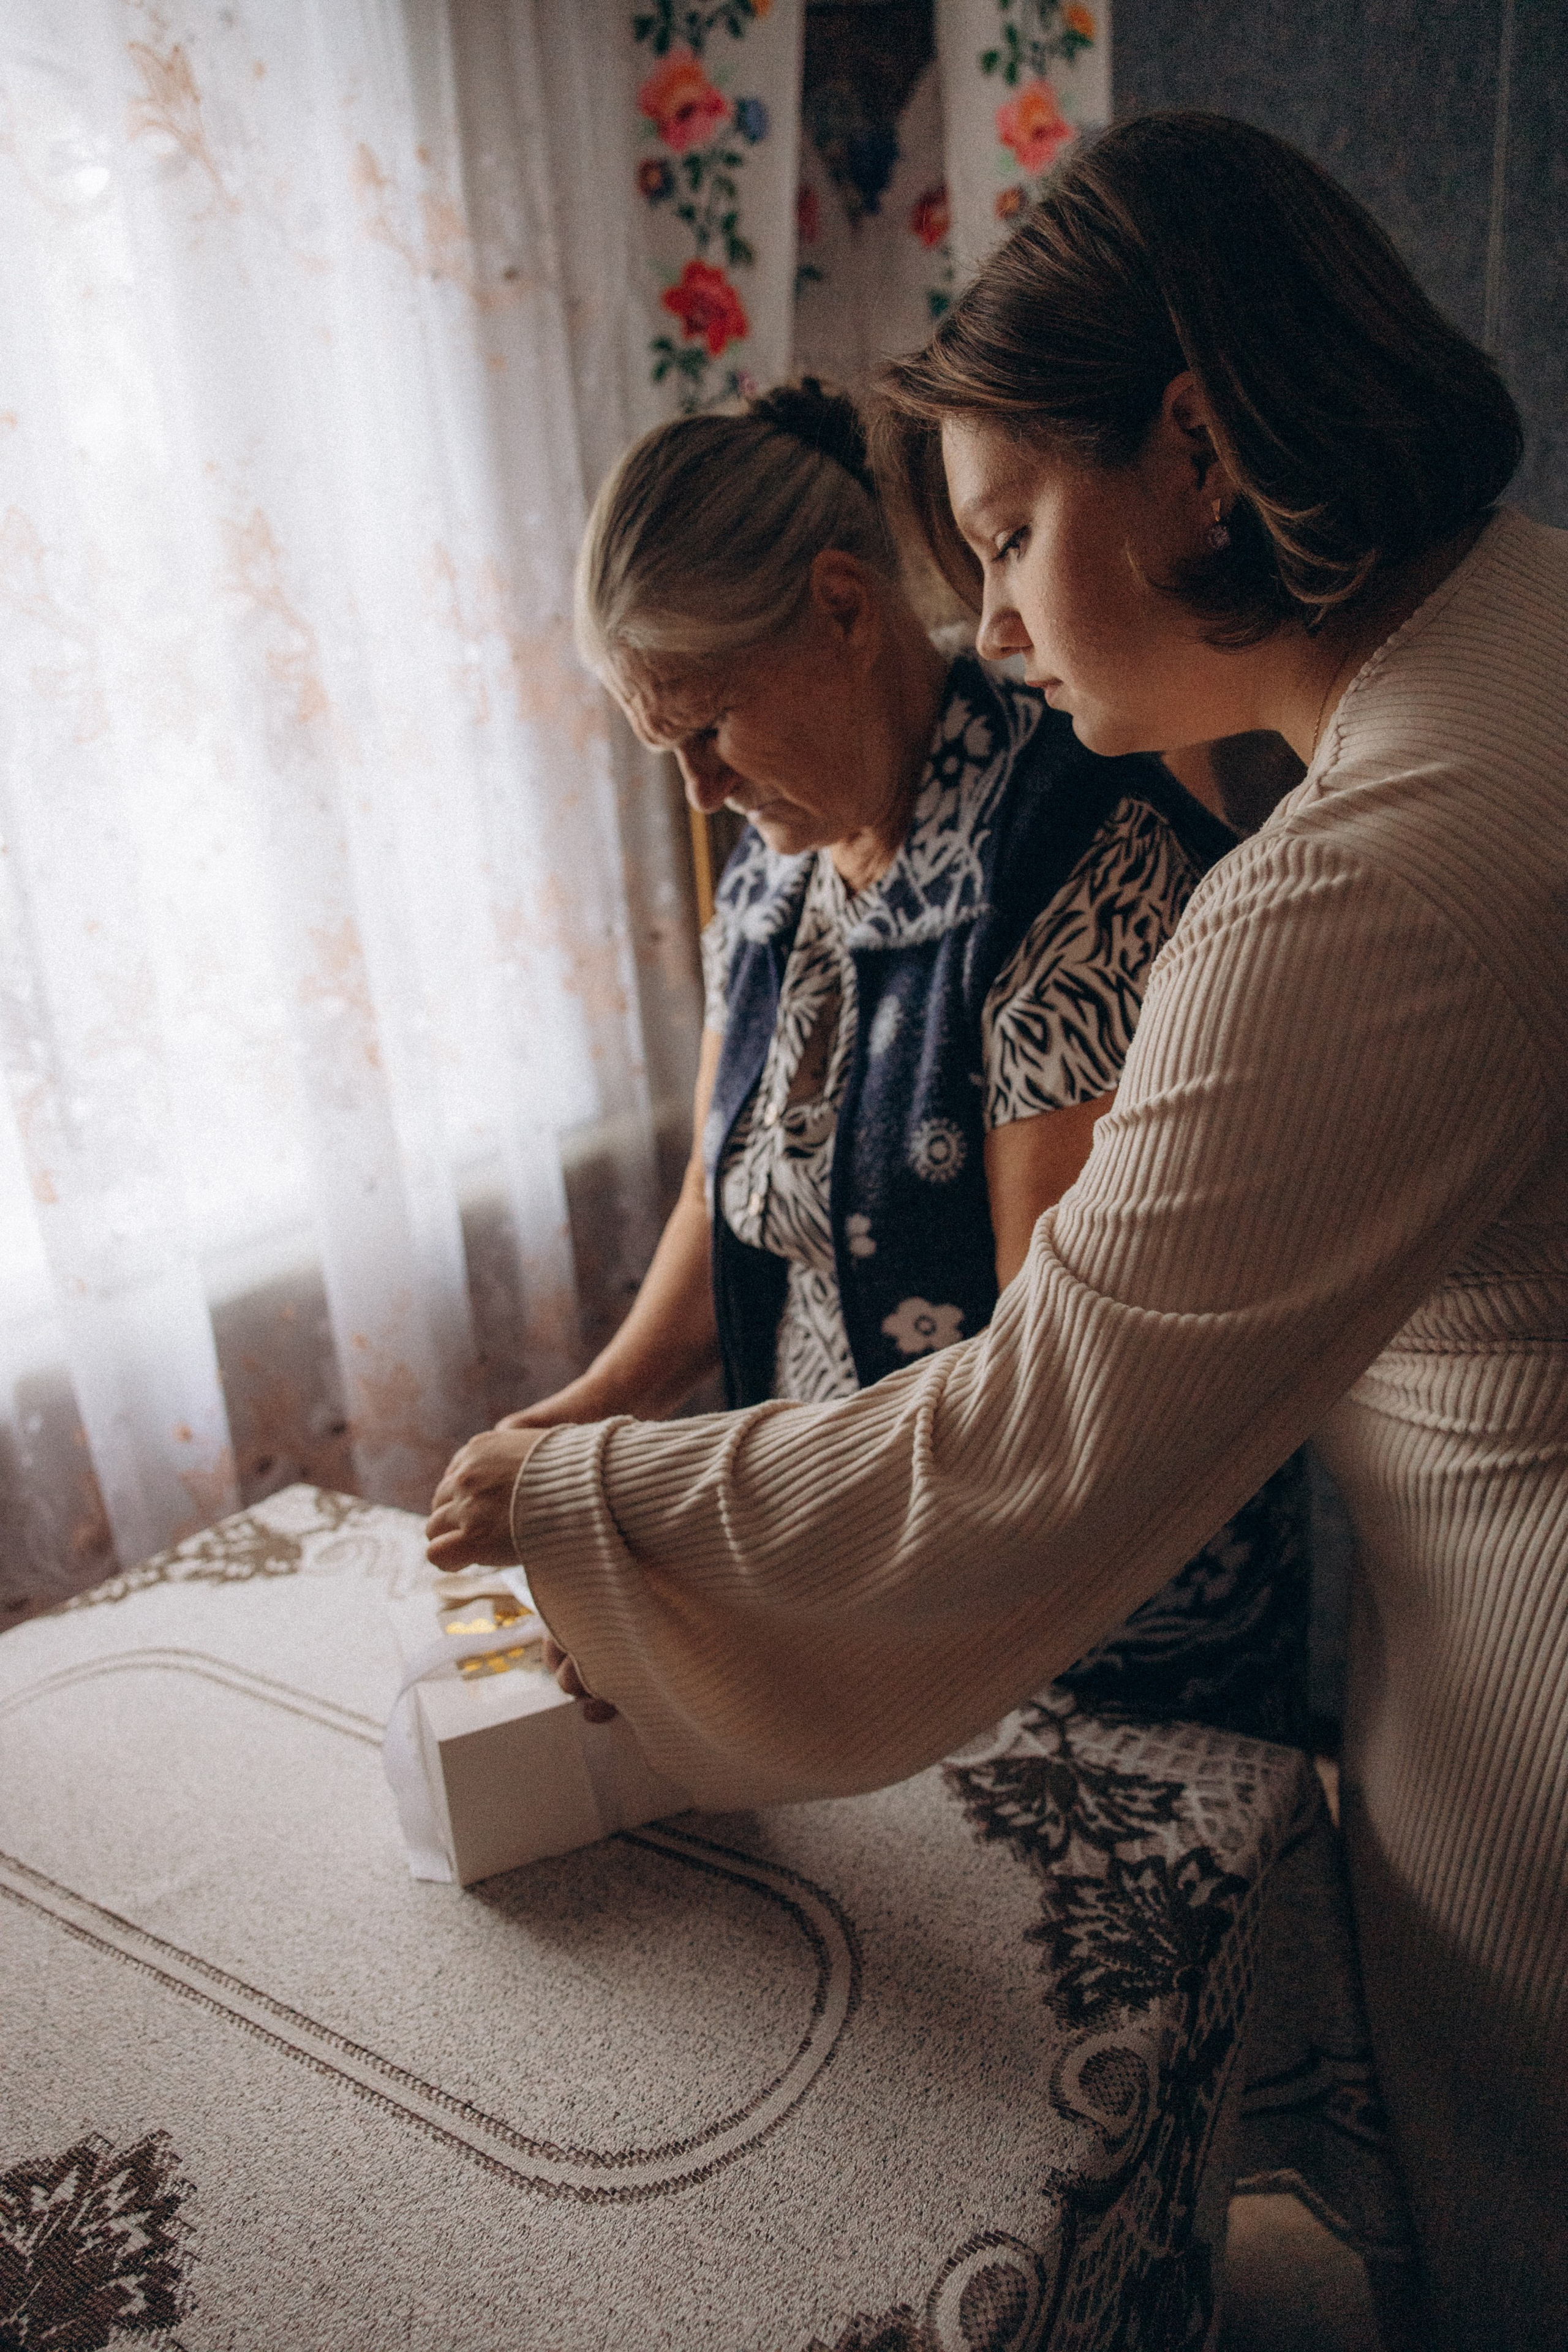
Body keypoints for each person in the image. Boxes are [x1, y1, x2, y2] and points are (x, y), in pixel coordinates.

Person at [427, 114, 1567, 2349]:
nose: (1008, 621)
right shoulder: (1528, 615)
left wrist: (593, 1503)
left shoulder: (1340, 887)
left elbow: (1045, 1431)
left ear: (1197, 450)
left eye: (1017, 534)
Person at [496, 380, 1309, 1742]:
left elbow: (1049, 1383)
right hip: (835, 1601)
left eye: (705, 728)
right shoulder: (773, 870)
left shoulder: (1076, 863)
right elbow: (725, 1195)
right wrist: (575, 1421)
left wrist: (666, 1518)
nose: (696, 792)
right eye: (662, 747)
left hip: (1082, 1650)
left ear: (839, 604)